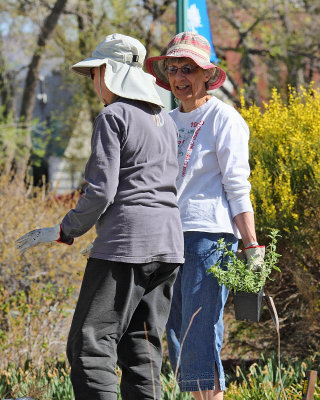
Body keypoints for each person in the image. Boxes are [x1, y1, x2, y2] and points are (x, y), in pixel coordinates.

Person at [16, 33, 184, 400]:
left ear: (107, 72)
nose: (94, 83)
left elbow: (101, 192)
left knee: (89, 347)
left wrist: (66, 229)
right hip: (170, 247)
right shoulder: (164, 121)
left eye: (94, 74)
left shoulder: (113, 116)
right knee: (142, 351)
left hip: (126, 247)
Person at [146, 32, 265, 400]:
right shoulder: (163, 121)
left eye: (188, 69)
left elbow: (237, 185)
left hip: (209, 238)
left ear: (205, 75)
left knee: (200, 333)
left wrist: (252, 246)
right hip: (167, 237)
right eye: (174, 69)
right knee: (178, 331)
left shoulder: (223, 118)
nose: (180, 77)